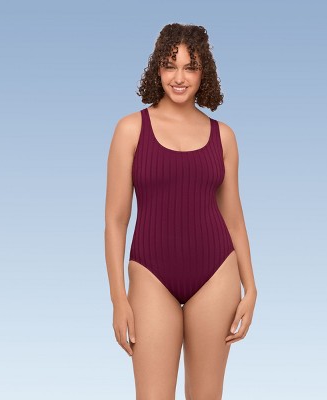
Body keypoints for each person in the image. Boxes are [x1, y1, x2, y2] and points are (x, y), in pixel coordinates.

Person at [104, 23, 257, 399]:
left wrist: (251, 288)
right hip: (150, 275)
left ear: (205, 74)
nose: (179, 77)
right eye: (170, 65)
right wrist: (118, 298)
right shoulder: (130, 130)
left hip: (216, 274)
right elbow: (116, 220)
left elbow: (234, 219)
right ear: (157, 68)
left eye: (191, 67)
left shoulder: (224, 137)